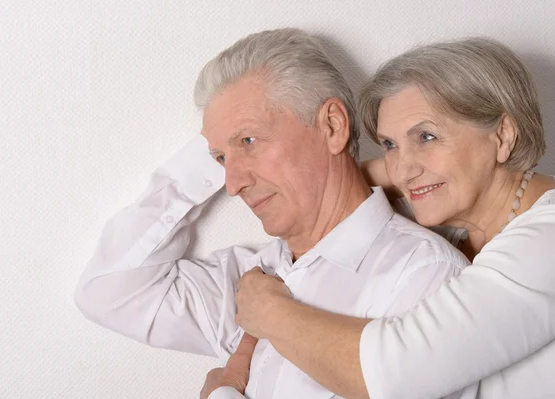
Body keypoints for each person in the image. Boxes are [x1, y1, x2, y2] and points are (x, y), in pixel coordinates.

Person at [73, 28, 472, 398]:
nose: (231, 184)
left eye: (249, 140)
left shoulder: (426, 277)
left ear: (332, 126)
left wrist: (222, 394)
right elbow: (108, 290)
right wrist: (216, 143)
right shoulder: (248, 279)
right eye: (220, 159)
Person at [224, 37, 555, 398]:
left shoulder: (546, 242)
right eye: (390, 145)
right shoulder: (466, 230)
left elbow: (394, 373)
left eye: (426, 136)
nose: (403, 170)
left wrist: (268, 313)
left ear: (503, 134)